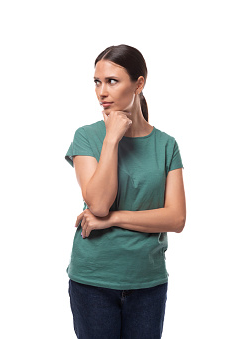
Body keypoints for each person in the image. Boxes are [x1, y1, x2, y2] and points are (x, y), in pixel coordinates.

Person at [64, 44, 186, 339]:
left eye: (112, 81)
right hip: (93, 280)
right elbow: (99, 204)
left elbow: (176, 218)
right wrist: (111, 140)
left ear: (139, 84)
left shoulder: (166, 145)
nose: (101, 91)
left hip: (148, 282)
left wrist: (114, 220)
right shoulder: (87, 137)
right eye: (97, 82)